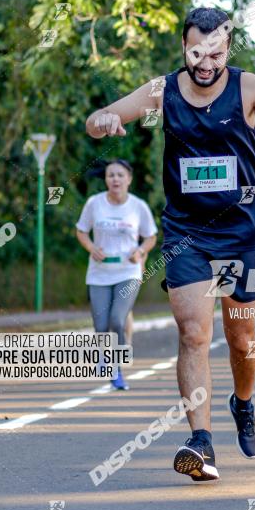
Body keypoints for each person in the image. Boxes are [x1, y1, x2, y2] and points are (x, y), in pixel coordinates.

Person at [86, 6, 255, 481]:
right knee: (193, 334)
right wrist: (102, 121)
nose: (206, 63)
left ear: (229, 48)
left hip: (241, 237)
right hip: (187, 235)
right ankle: (200, 441)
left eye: (217, 53)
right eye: (196, 52)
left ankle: (242, 404)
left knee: (241, 339)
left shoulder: (247, 88)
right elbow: (101, 118)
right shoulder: (162, 91)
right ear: (184, 46)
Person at [75, 158, 157, 389]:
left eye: (120, 175)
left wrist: (140, 251)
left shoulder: (138, 206)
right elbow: (81, 231)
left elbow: (151, 236)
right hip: (99, 273)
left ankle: (117, 369)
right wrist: (91, 248)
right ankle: (105, 358)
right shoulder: (94, 203)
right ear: (106, 180)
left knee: (117, 319)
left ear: (129, 179)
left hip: (127, 272)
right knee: (101, 326)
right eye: (111, 175)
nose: (115, 179)